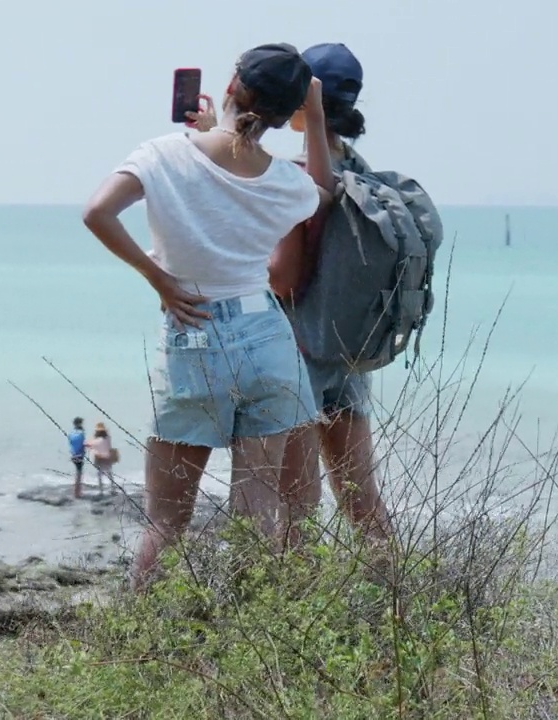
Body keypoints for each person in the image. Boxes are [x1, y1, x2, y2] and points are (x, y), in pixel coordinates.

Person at [81, 43, 336, 588]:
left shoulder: (163, 155)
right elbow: (322, 191)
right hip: (266, 340)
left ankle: (136, 643)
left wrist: (159, 279)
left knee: (167, 521)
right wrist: (313, 115)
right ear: (282, 113)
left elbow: (97, 213)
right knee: (259, 515)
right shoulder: (284, 183)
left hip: (192, 333)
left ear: (230, 85)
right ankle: (258, 658)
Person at [268, 43, 392, 545]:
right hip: (350, 350)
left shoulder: (296, 176)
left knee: (295, 505)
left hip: (299, 349)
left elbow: (283, 279)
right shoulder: (363, 174)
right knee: (361, 497)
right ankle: (396, 605)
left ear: (303, 101)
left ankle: (286, 616)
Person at [86, 422, 118, 496]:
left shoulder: (97, 440)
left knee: (100, 475)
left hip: (99, 458)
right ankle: (112, 488)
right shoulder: (108, 438)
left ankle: (101, 491)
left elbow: (90, 444)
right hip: (107, 458)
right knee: (109, 474)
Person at [67, 417, 86, 499]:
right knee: (79, 474)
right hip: (80, 455)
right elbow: (82, 443)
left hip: (73, 455)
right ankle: (77, 493)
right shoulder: (81, 433)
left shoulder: (71, 433)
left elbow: (71, 442)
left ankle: (76, 492)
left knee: (77, 473)